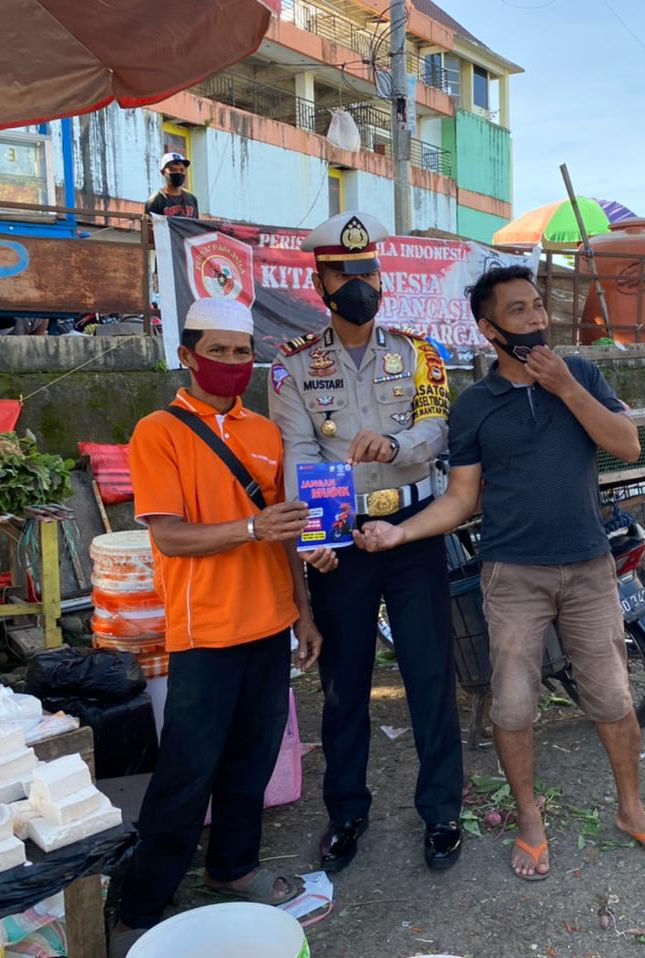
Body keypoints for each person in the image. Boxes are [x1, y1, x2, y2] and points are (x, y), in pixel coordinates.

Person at [354, 265, 645, 880]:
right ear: (489, 330)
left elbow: (627, 445)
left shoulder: (580, 373)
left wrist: (566, 387)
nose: (535, 318)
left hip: (588, 567)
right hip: (512, 576)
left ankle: (632, 810)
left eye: (537, 306)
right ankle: (530, 821)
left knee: (613, 697)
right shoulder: (474, 407)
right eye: (518, 311)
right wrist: (401, 531)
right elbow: (461, 499)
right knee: (511, 706)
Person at [110, 298, 337, 957]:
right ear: (187, 356)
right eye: (218, 351)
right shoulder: (158, 431)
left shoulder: (264, 432)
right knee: (187, 771)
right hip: (204, 631)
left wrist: (303, 611)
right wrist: (250, 527)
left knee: (253, 760)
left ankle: (233, 867)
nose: (232, 363)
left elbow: (283, 532)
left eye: (242, 353)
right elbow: (171, 537)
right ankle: (142, 906)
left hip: (269, 626)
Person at [267, 211, 464, 875]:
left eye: (369, 272)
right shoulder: (293, 365)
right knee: (344, 682)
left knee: (429, 673)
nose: (361, 285)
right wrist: (313, 539)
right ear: (319, 283)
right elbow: (298, 454)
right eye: (345, 274)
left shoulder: (419, 354)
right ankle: (347, 811)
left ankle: (442, 811)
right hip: (341, 539)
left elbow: (438, 429)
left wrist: (398, 445)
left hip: (412, 529)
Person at [145, 152, 199, 218]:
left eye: (182, 170)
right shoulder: (155, 200)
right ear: (163, 172)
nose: (178, 172)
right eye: (173, 170)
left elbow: (196, 223)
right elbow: (150, 224)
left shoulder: (192, 199)